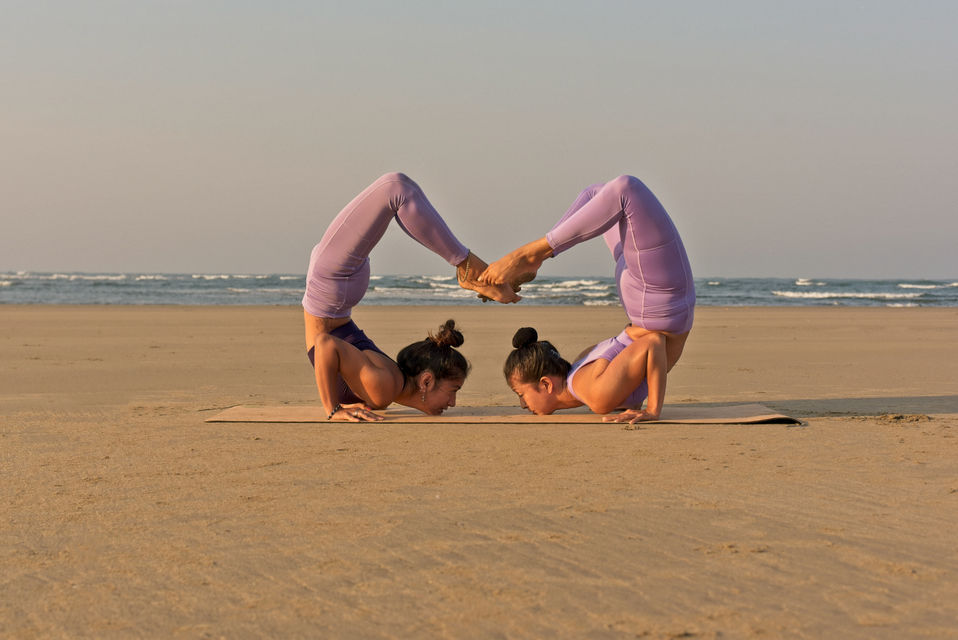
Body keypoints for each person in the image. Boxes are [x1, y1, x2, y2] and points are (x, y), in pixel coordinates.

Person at [303, 172, 518, 421]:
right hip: (334, 287)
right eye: (453, 391)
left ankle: (470, 267)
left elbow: (330, 346)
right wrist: (333, 409)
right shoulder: (384, 389)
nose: (452, 402)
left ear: (425, 381)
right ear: (427, 380)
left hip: (335, 290)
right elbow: (325, 344)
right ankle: (469, 268)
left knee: (398, 191)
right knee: (397, 189)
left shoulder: (386, 388)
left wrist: (344, 403)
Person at [483, 175, 695, 423]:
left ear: (546, 384)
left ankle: (532, 255)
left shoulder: (595, 395)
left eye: (521, 394)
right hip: (648, 300)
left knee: (623, 191)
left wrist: (652, 410)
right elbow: (643, 346)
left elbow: (653, 342)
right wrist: (633, 401)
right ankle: (542, 256)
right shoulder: (580, 370)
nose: (522, 405)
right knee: (600, 194)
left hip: (656, 300)